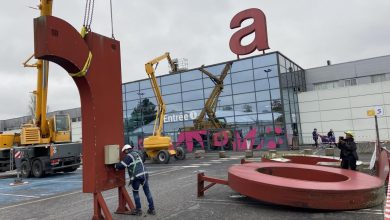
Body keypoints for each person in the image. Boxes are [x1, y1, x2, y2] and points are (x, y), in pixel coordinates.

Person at [114, 144, 155, 216]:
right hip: (145, 174)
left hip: (136, 177)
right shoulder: (137, 154)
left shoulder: (129, 156)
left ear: (126, 150)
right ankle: (152, 209)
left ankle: (138, 210)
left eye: (124, 152)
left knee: (136, 192)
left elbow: (122, 165)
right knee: (147, 192)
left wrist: (115, 165)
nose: (124, 153)